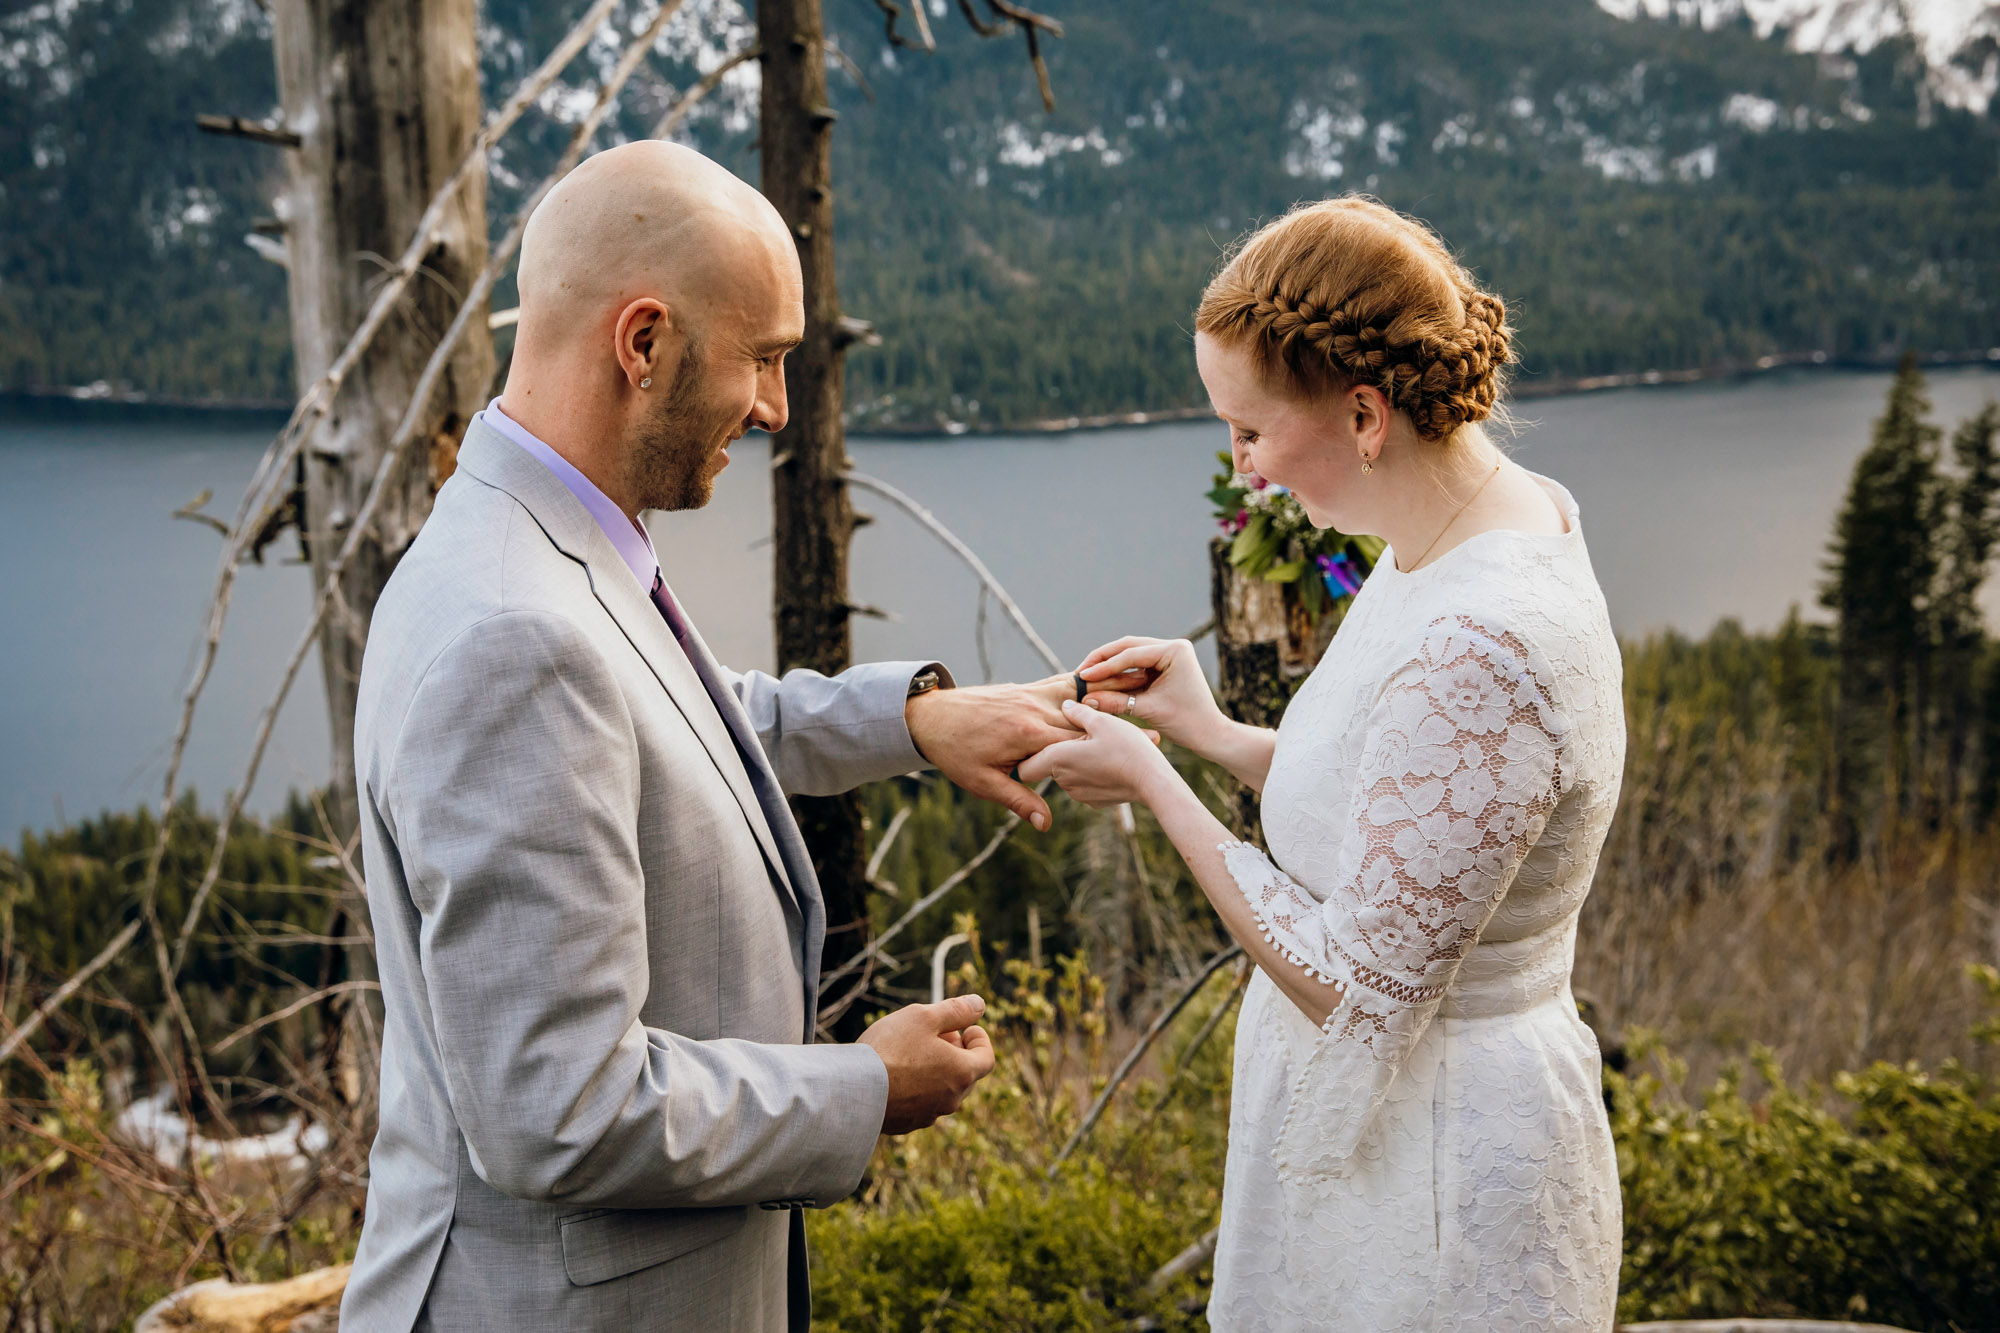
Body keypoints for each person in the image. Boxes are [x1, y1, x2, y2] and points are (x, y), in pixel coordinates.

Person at [341, 140, 1080, 1332]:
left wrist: (911, 718)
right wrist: (864, 1086)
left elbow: (667, 716)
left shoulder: (529, 543)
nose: (779, 408)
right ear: (643, 343)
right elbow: (560, 1109)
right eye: (766, 359)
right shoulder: (512, 634)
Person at [1022, 198, 1626, 1330]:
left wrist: (1154, 783)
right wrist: (1205, 730)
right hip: (1394, 1131)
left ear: (1362, 413)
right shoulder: (1456, 535)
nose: (1240, 468)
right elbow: (1399, 820)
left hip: (1440, 1163)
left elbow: (1355, 982)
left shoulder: (1483, 643)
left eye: (1247, 431)